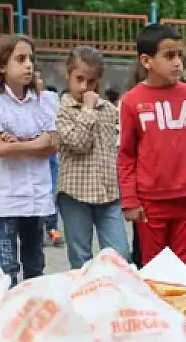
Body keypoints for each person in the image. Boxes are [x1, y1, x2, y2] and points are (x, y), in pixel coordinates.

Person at [118, 23, 186, 267]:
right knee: (154, 265)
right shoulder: (131, 102)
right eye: (169, 56)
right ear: (146, 61)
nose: (177, 62)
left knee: (183, 263)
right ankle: (154, 306)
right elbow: (126, 155)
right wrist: (130, 200)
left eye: (180, 55)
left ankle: (180, 306)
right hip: (150, 203)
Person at [0, 34, 57, 286]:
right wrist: (35, 142)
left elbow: (52, 145)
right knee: (8, 266)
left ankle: (34, 314)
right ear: (1, 66)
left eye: (31, 59)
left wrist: (18, 144)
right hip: (6, 198)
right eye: (20, 59)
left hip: (35, 196)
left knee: (35, 262)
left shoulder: (43, 101)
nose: (28, 65)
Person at [54, 46, 130, 268]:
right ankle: (83, 299)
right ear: (67, 75)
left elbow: (117, 146)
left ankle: (115, 297)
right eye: (79, 79)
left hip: (108, 193)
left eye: (91, 81)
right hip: (75, 194)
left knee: (120, 255)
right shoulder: (63, 110)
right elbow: (79, 143)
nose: (84, 87)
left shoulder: (108, 109)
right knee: (81, 257)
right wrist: (87, 110)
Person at [34, 71, 64, 247]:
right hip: (33, 153)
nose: (36, 81)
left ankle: (52, 228)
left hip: (52, 154)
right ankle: (40, 230)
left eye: (39, 77)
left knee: (51, 192)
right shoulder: (23, 102)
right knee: (38, 192)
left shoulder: (50, 99)